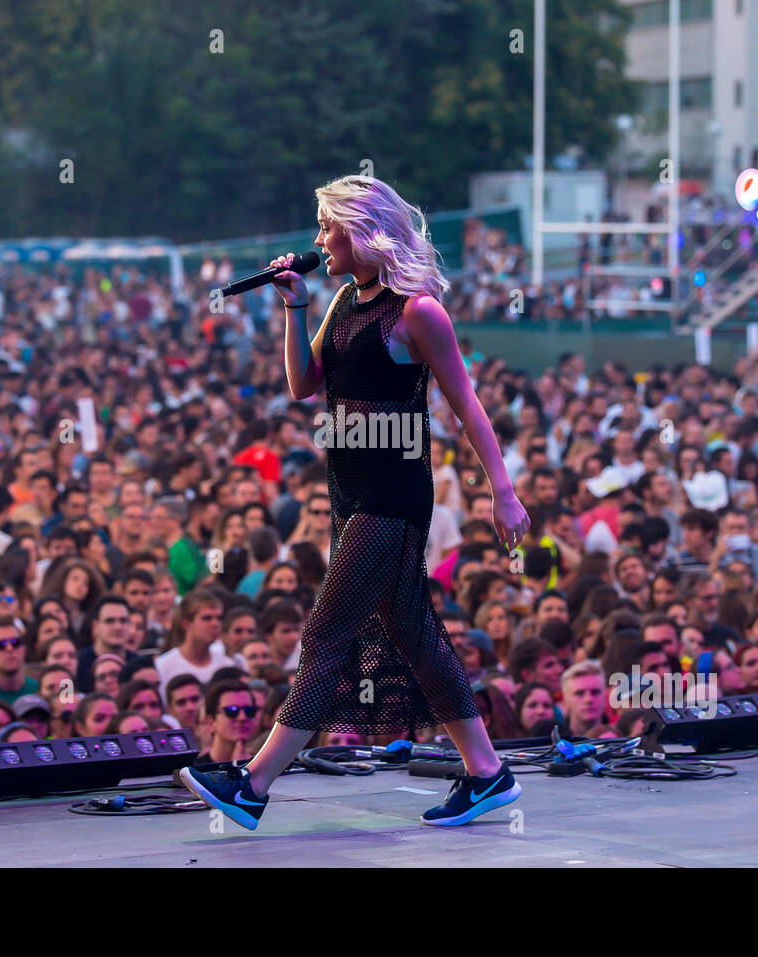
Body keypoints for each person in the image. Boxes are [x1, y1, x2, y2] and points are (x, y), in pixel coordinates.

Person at [179, 176, 530, 829]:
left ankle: (254, 782)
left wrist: (501, 491)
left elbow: (466, 403)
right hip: (350, 490)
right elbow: (302, 385)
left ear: (361, 229)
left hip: (394, 491)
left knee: (325, 629)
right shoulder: (344, 298)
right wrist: (295, 308)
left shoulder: (417, 310)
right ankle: (488, 772)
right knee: (413, 633)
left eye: (326, 226)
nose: (317, 240)